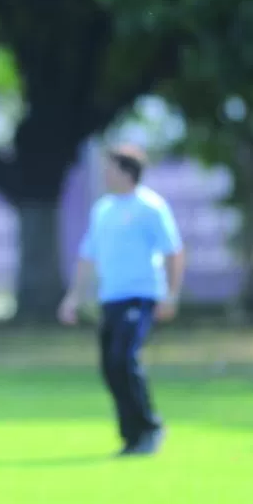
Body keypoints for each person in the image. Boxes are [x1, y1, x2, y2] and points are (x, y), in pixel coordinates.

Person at [57, 144, 184, 455]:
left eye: (110, 168)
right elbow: (88, 256)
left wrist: (171, 295)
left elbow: (173, 251)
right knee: (110, 367)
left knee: (124, 359)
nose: (104, 173)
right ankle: (131, 436)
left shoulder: (150, 206)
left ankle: (150, 427)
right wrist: (73, 297)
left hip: (141, 297)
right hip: (111, 298)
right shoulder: (103, 209)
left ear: (126, 171)